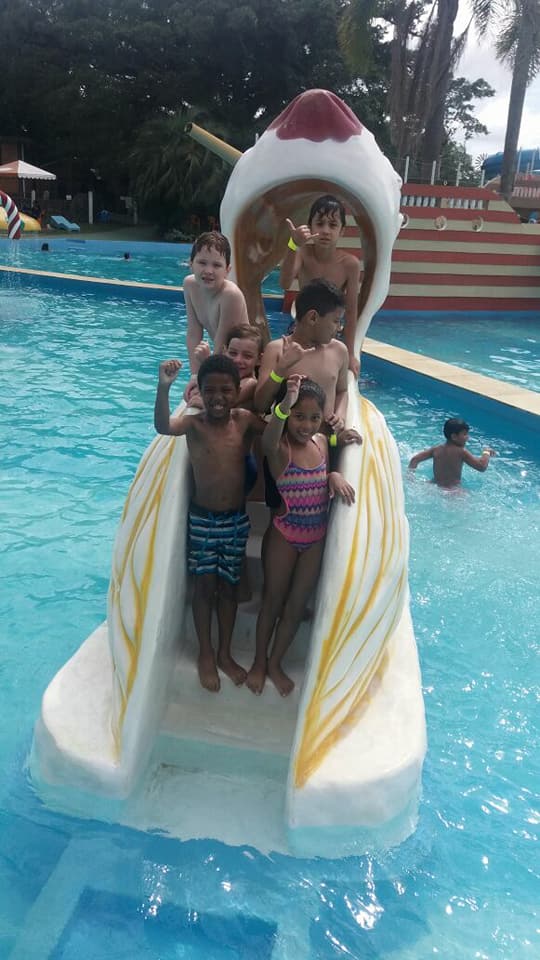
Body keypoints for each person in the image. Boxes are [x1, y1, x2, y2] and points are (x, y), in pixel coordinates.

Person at [154, 354, 265, 692]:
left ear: (237, 392)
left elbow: (279, 428)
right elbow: (163, 427)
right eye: (210, 390)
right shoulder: (194, 425)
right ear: (199, 392)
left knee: (229, 588)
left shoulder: (244, 421)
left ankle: (224, 653)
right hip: (202, 520)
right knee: (204, 588)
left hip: (236, 521)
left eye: (226, 390)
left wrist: (333, 434)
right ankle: (205, 652)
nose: (218, 397)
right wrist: (164, 388)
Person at [246, 376, 356, 697]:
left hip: (315, 539)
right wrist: (284, 405)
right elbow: (267, 441)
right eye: (298, 416)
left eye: (314, 417)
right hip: (283, 535)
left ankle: (275, 662)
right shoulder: (280, 450)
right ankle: (259, 662)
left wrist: (334, 472)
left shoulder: (320, 442)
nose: (306, 425)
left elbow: (329, 453)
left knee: (295, 606)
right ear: (286, 416)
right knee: (272, 602)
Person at [254, 278, 350, 435]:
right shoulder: (276, 350)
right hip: (288, 442)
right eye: (336, 321)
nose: (339, 328)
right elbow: (260, 405)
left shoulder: (339, 351)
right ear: (313, 317)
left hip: (323, 440)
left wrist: (340, 416)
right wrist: (280, 369)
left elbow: (343, 391)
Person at [280, 195, 362, 376]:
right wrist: (293, 245)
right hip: (301, 330)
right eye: (320, 224)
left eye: (332, 225)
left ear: (342, 231)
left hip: (330, 333)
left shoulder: (350, 264)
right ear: (310, 227)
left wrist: (350, 354)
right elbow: (285, 283)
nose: (325, 231)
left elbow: (351, 312)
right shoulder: (302, 253)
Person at [183, 231, 249, 401]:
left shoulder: (230, 295)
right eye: (202, 263)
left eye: (217, 265)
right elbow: (193, 333)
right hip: (221, 361)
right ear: (191, 264)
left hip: (242, 367)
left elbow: (221, 345)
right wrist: (194, 375)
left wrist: (204, 380)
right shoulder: (190, 285)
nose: (208, 271)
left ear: (227, 270)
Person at [408, 417, 496, 488]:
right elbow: (481, 466)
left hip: (433, 485)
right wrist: (486, 452)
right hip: (452, 491)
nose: (467, 437)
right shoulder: (461, 452)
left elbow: (415, 459)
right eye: (465, 434)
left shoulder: (436, 449)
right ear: (454, 436)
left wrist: (410, 478)